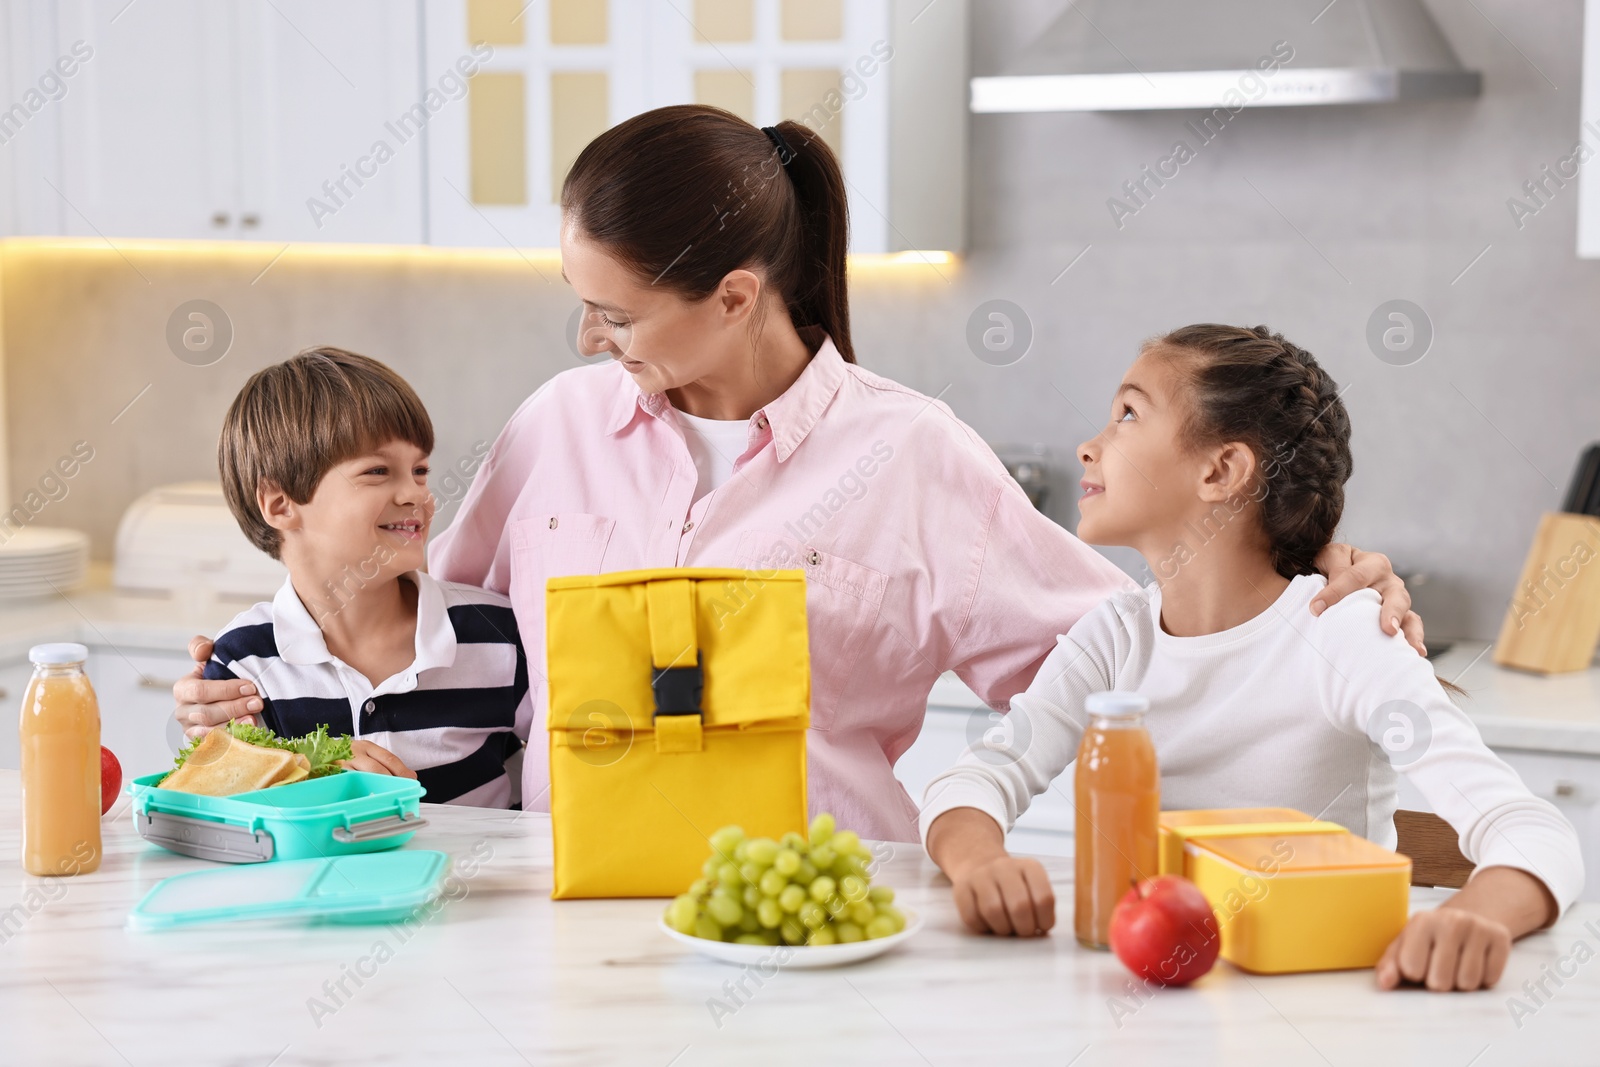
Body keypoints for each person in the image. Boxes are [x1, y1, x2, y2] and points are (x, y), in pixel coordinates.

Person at [174, 106, 1421, 839]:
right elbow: (417, 639)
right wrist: (249, 691)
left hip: (819, 936)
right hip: (555, 929)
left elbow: (1128, 659)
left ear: (733, 297)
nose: (591, 341)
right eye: (582, 305)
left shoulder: (911, 453)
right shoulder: (556, 425)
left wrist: (1317, 586)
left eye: (618, 315)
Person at [920, 324, 1582, 992]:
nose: (1088, 446)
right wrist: (980, 863)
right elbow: (975, 779)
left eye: (1127, 414)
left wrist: (1475, 914)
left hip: (1327, 998)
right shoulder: (1114, 637)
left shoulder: (1340, 635)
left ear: (1220, 471)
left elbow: (1532, 829)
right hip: (1166, 993)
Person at [201, 347, 531, 807]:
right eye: (378, 471)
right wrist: (316, 782)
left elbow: (568, 768)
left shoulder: (499, 635)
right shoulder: (243, 665)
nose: (415, 493)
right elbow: (238, 815)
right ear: (280, 505)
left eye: (419, 470)